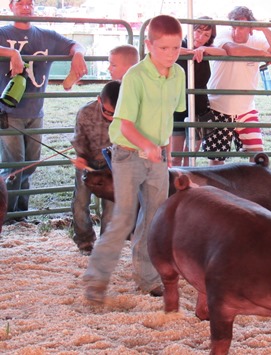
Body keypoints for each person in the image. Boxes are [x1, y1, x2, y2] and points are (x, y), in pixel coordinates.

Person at [83, 15, 186, 304]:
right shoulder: (135, 77)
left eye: (176, 48)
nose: (170, 54)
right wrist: (147, 146)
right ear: (149, 45)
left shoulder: (178, 75)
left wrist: (166, 149)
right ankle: (96, 278)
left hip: (156, 155)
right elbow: (125, 123)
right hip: (128, 153)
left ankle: (147, 279)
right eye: (164, 48)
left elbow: (169, 115)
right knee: (124, 217)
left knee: (154, 218)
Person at [0, 0, 87, 223]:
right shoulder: (2, 31)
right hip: (8, 111)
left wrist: (78, 54)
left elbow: (74, 44)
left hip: (35, 111)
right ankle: (7, 217)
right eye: (20, 2)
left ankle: (21, 214)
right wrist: (11, 53)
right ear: (11, 6)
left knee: (30, 163)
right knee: (13, 166)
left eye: (30, 3)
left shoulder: (46, 35)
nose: (26, 6)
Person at [203, 6, 271, 165]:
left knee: (258, 157)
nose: (236, 32)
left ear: (251, 28)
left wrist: (265, 29)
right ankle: (217, 189)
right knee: (216, 160)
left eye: (241, 27)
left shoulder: (257, 40)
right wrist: (263, 54)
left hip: (246, 109)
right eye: (233, 27)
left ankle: (251, 188)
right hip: (219, 107)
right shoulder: (224, 35)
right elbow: (232, 50)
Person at [71, 81, 121, 256]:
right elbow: (79, 138)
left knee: (111, 206)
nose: (111, 117)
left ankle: (106, 245)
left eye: (115, 114)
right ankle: (85, 241)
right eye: (107, 112)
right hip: (89, 161)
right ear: (99, 100)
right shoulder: (85, 112)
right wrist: (81, 157)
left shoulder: (128, 115)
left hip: (113, 166)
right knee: (80, 203)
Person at [171, 16, 226, 167]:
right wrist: (190, 52)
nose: (201, 37)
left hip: (199, 108)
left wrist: (203, 49)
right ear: (191, 29)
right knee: (175, 156)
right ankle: (176, 187)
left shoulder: (207, 51)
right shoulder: (178, 45)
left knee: (191, 156)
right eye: (198, 31)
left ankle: (188, 187)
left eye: (206, 35)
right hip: (177, 107)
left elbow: (223, 52)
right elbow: (168, 49)